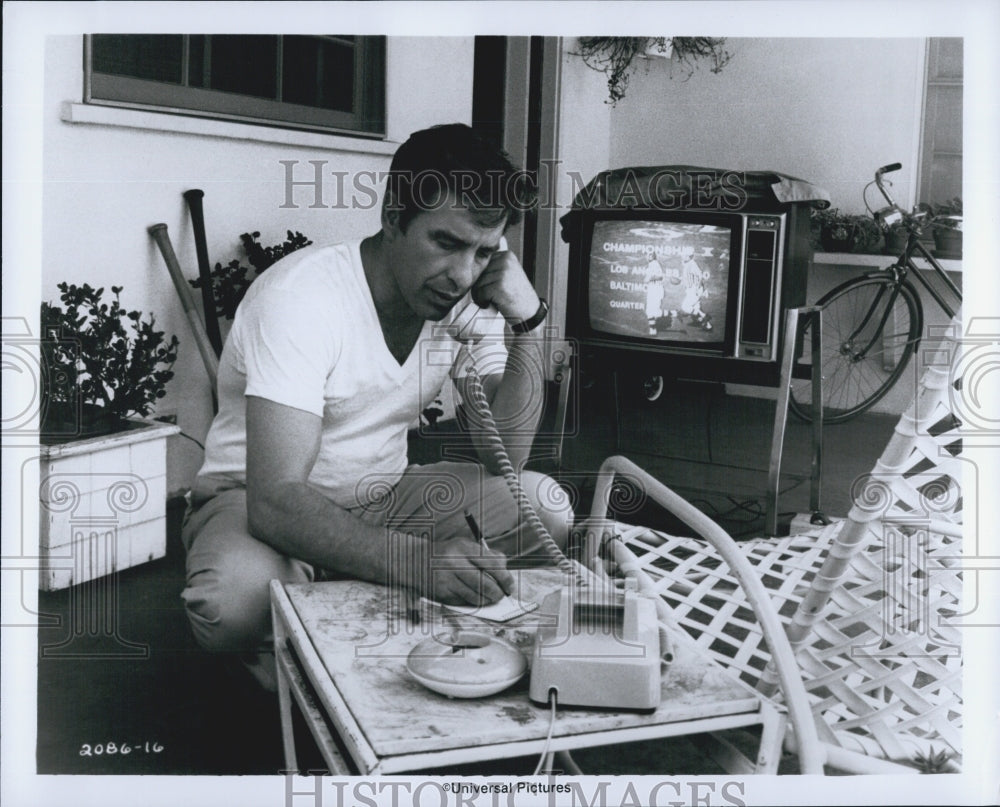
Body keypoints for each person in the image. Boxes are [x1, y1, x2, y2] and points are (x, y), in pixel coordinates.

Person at [180, 124, 573, 689]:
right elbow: (275, 500)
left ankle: (331, 596)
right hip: (255, 505)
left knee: (546, 505)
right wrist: (418, 563)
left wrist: (529, 320)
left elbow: (507, 454)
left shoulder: (462, 299)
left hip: (382, 496)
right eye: (446, 242)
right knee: (232, 604)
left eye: (483, 252)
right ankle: (327, 604)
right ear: (393, 218)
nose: (463, 274)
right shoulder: (303, 298)